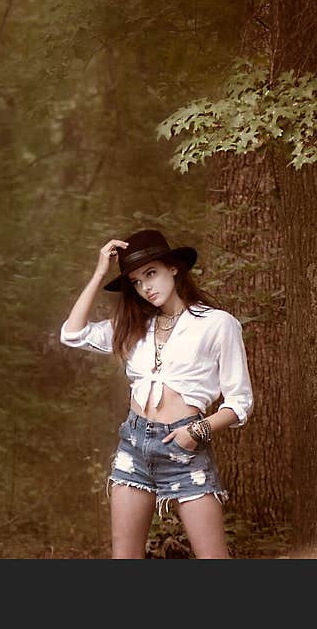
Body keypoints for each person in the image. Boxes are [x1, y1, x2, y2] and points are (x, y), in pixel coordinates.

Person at [59, 229, 254, 559]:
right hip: (133, 447)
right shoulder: (134, 325)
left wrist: (198, 431)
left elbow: (240, 402)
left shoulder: (217, 324)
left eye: (151, 273)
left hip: (185, 447)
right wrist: (98, 273)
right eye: (135, 281)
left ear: (173, 268)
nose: (145, 287)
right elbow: (72, 334)